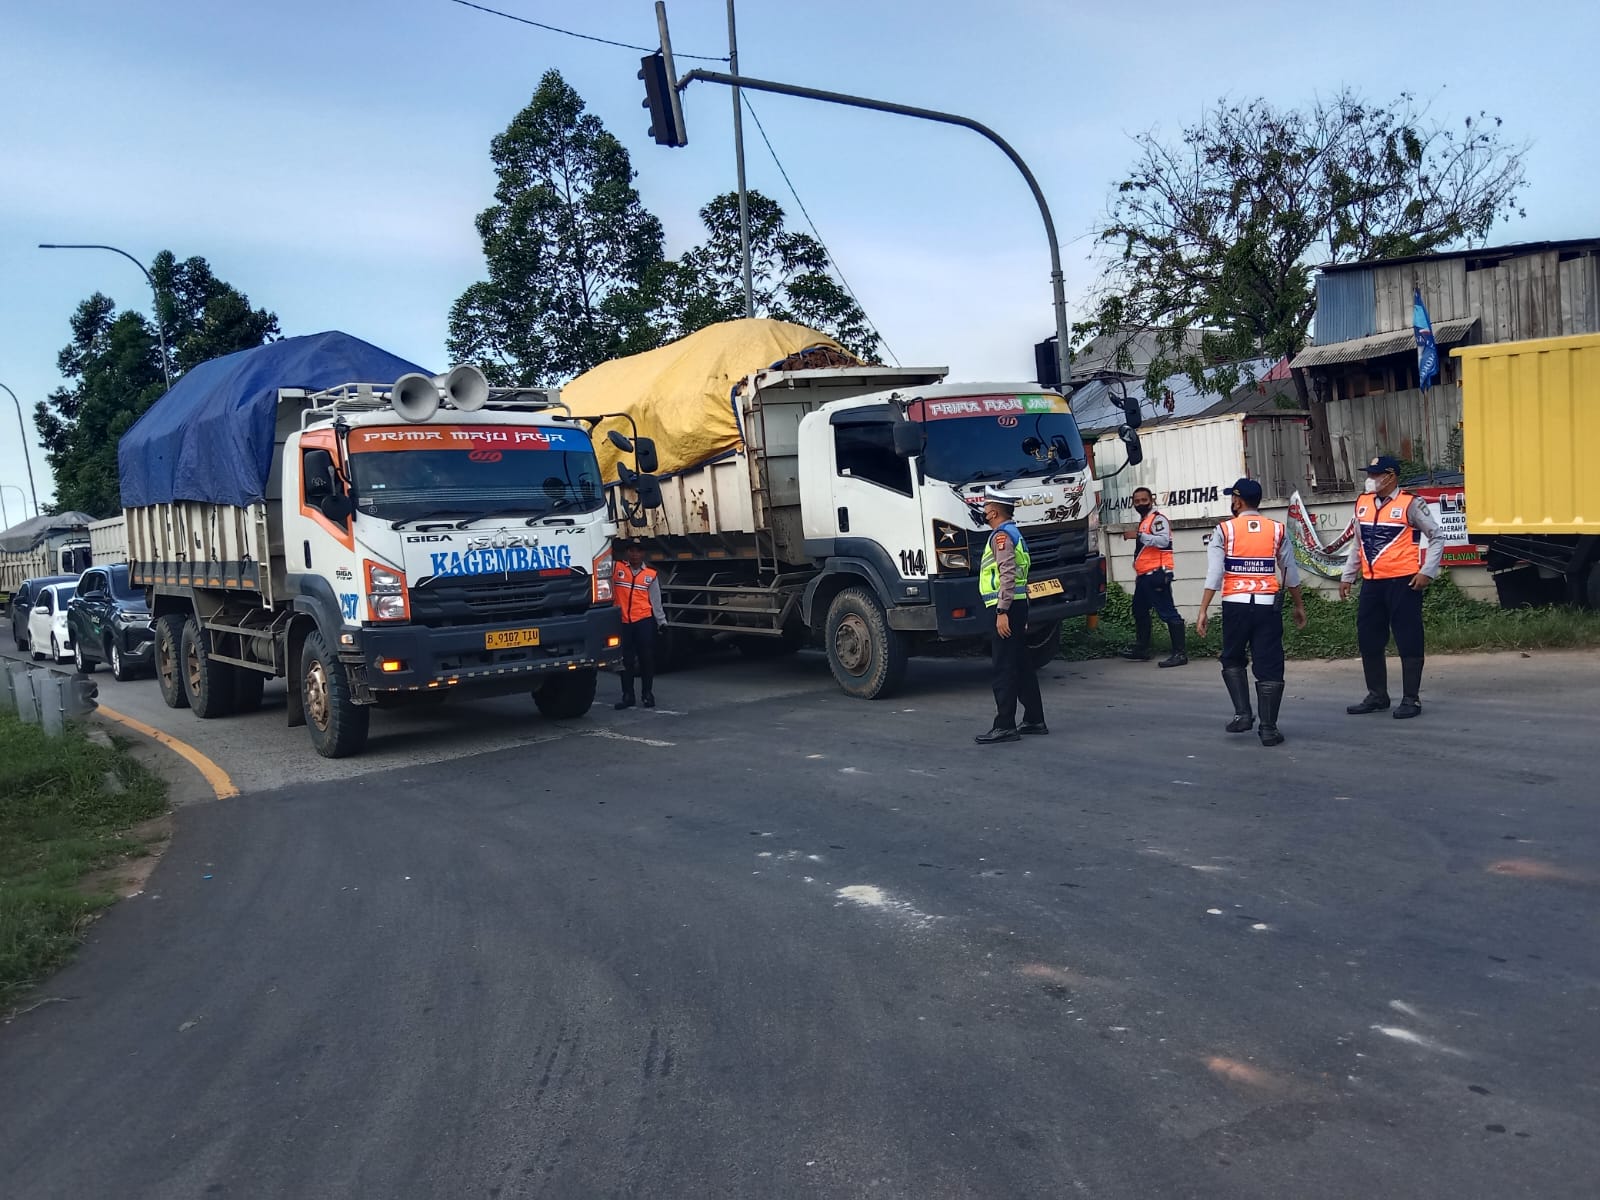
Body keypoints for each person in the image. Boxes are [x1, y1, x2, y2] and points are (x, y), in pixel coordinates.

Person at [1195, 478, 1307, 747]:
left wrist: (1203, 610)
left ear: (1237, 500)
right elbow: (1289, 571)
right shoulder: (1277, 530)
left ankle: (1243, 714)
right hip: (1268, 606)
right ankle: (1268, 729)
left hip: (1236, 605)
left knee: (1233, 658)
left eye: (1231, 499)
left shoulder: (1224, 530)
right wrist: (1299, 605)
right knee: (1269, 665)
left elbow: (1215, 573)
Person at [1340, 455, 1445, 719]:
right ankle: (1377, 695)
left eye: (1376, 475)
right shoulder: (1362, 503)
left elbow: (1437, 537)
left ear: (1391, 476)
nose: (1371, 479)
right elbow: (1358, 544)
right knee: (1368, 638)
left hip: (1404, 582)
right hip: (1372, 583)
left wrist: (1427, 572)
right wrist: (1348, 575)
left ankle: (1411, 699)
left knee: (1408, 639)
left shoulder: (1410, 503)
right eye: (1371, 474)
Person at [975, 485, 1047, 744]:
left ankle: (1005, 724)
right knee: (1021, 663)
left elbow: (1007, 573)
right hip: (1017, 606)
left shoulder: (1000, 537)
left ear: (994, 511)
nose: (984, 512)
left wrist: (1002, 611)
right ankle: (1034, 719)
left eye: (986, 508)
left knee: (1004, 666)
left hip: (1005, 607)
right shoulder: (1016, 534)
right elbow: (1022, 575)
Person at [1119, 486, 1188, 667]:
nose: (1140, 504)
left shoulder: (1157, 520)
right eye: (1137, 501)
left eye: (1144, 500)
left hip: (1157, 574)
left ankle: (1180, 654)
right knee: (1139, 610)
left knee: (1167, 612)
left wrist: (1140, 536)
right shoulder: (1145, 520)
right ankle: (1142, 648)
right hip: (1144, 577)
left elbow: (1164, 541)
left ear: (1151, 500)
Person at [612, 540, 666, 710]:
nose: (635, 554)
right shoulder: (617, 569)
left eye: (638, 551)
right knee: (626, 660)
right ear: (627, 553)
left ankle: (647, 694)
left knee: (646, 659)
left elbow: (656, 601)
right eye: (631, 551)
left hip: (643, 620)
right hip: (623, 622)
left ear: (643, 554)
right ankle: (628, 695)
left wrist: (661, 622)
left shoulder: (651, 575)